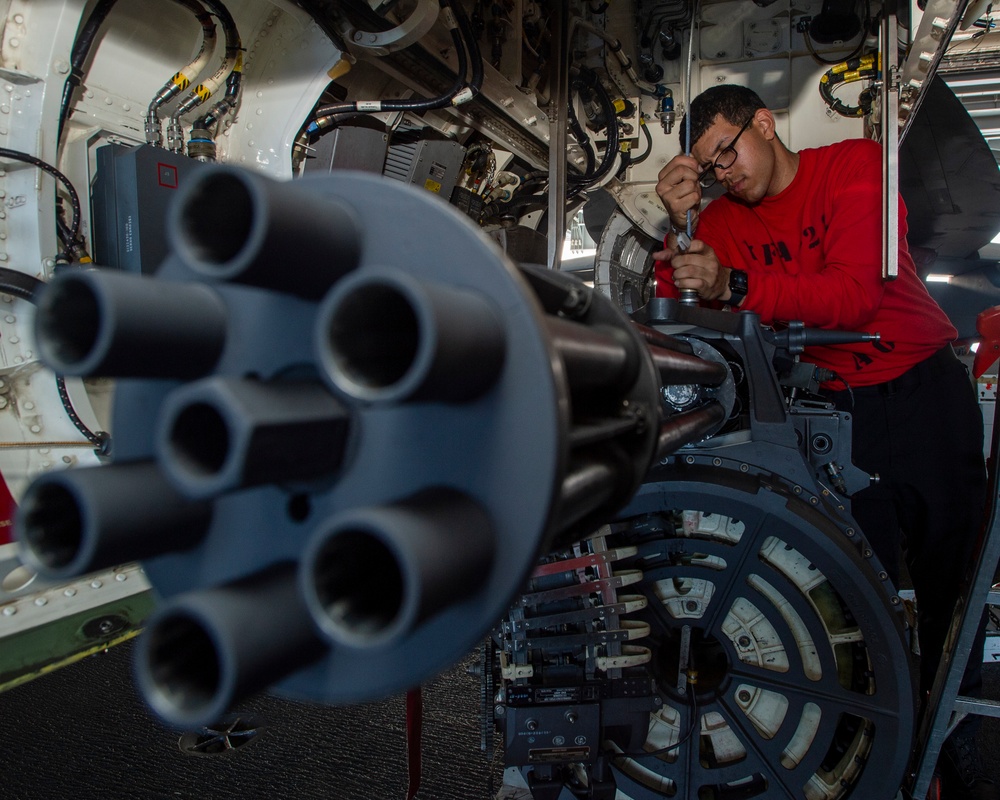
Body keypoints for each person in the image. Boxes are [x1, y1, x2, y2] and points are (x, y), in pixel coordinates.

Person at [653, 83, 991, 800]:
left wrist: (735, 280)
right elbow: (677, 314)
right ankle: (870, 747)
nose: (723, 174)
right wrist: (677, 230)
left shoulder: (856, 167)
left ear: (764, 124)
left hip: (923, 396)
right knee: (849, 592)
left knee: (949, 588)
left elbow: (855, 294)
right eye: (707, 169)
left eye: (726, 152)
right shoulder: (721, 223)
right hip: (835, 415)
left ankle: (956, 745)